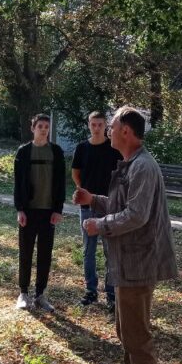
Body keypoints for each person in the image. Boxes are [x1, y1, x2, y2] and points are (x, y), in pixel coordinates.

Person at [74, 107, 178, 364]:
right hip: (126, 264)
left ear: (127, 133)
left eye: (113, 125)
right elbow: (123, 205)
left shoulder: (143, 167)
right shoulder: (131, 164)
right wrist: (94, 199)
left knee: (138, 340)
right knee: (127, 335)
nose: (108, 130)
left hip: (138, 264)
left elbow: (136, 215)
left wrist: (99, 224)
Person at [13, 113, 66, 312]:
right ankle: (23, 293)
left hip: (48, 212)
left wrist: (58, 209)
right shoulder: (24, 151)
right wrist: (20, 209)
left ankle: (40, 294)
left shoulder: (56, 151)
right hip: (28, 211)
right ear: (33, 128)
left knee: (45, 254)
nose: (43, 130)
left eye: (46, 127)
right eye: (40, 126)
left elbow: (61, 183)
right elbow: (18, 182)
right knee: (25, 252)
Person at [72, 111, 123, 309]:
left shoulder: (113, 148)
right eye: (93, 124)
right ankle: (90, 290)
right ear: (88, 125)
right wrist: (82, 191)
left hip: (109, 206)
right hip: (87, 207)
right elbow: (76, 173)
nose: (96, 128)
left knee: (110, 251)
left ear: (105, 126)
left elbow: (121, 174)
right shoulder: (82, 148)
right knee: (88, 250)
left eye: (100, 124)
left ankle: (111, 294)